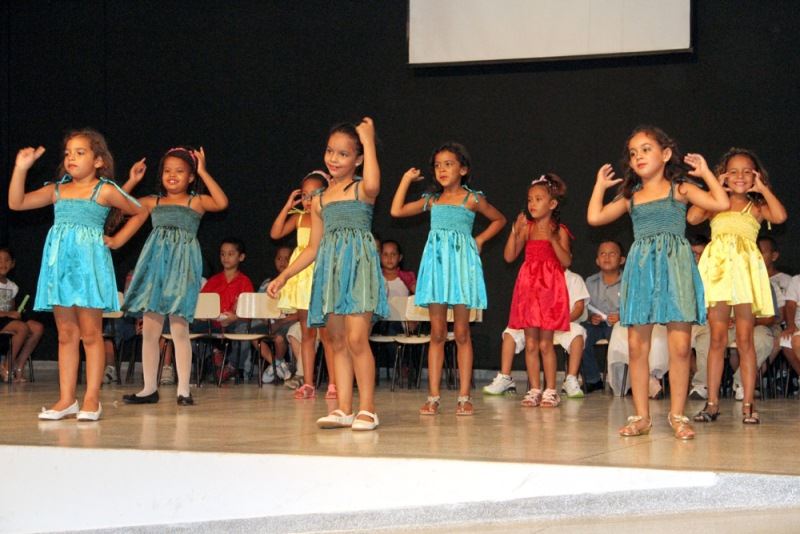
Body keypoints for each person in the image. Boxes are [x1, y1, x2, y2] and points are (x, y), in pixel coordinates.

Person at [587, 125, 729, 439]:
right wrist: (599, 186)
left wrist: (705, 172)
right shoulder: (631, 196)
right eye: (634, 152)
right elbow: (595, 217)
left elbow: (720, 203)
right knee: (638, 347)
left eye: (646, 149)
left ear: (665, 155)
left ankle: (678, 415)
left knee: (680, 347)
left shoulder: (679, 188)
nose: (638, 156)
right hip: (640, 270)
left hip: (675, 268)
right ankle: (641, 416)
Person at [8, 129, 141, 420]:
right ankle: (67, 399)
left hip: (88, 267)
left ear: (98, 161)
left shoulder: (104, 190)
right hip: (61, 268)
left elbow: (139, 211)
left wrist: (118, 241)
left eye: (80, 153)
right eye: (68, 153)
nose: (72, 158)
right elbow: (16, 203)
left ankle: (91, 398)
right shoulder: (57, 190)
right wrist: (21, 169)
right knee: (66, 334)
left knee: (91, 334)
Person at [269, 118, 387, 431]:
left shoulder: (363, 189)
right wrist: (284, 276)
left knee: (357, 338)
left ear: (358, 159)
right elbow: (311, 248)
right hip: (331, 271)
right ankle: (344, 408)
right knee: (335, 340)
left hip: (358, 267)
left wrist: (368, 139)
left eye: (344, 154)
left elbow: (375, 183)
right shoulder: (319, 200)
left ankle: (368, 409)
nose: (334, 159)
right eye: (330, 151)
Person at [391, 142, 506, 416]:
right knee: (438, 333)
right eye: (438, 165)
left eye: (449, 164)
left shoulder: (472, 199)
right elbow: (396, 211)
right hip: (437, 269)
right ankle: (433, 397)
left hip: (461, 267)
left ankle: (464, 396)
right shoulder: (432, 200)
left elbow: (499, 219)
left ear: (463, 169)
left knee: (463, 333)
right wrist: (406, 181)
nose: (442, 169)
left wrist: (479, 239)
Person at [107, 146, 228, 405]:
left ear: (191, 176)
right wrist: (132, 180)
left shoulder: (195, 201)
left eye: (180, 171)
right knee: (150, 329)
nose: (172, 176)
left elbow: (221, 202)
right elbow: (118, 203)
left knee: (179, 328)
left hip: (182, 268)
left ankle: (183, 389)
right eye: (167, 171)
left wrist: (204, 171)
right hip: (155, 268)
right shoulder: (153, 202)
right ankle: (149, 388)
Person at [689, 148, 786, 425]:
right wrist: (713, 187)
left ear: (755, 175)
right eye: (733, 171)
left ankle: (748, 404)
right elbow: (693, 218)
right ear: (724, 174)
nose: (740, 176)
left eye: (747, 171)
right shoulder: (715, 203)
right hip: (719, 274)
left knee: (745, 340)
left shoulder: (755, 207)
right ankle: (712, 403)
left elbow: (779, 216)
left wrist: (763, 189)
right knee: (717, 339)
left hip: (744, 276)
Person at [503, 174, 571, 408]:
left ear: (552, 204)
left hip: (550, 289)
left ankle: (551, 389)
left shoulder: (559, 230)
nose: (532, 204)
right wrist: (514, 230)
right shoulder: (527, 228)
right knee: (531, 343)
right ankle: (534, 388)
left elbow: (566, 261)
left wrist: (553, 240)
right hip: (529, 287)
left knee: (546, 344)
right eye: (530, 199)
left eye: (539, 199)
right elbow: (509, 256)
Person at [270, 171, 335, 399]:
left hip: (321, 275)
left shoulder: (328, 218)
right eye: (305, 195)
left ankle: (334, 384)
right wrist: (289, 205)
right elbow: (275, 232)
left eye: (314, 194)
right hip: (301, 279)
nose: (308, 200)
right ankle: (308, 383)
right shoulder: (299, 218)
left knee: (326, 335)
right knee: (308, 334)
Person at [483, 268, 589, 400]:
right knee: (511, 331)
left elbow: (579, 308)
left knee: (577, 334)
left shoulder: (574, 278)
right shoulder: (534, 275)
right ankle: (505, 377)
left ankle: (571, 379)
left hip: (563, 323)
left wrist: (560, 320)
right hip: (535, 324)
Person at [201, 238, 254, 382]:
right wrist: (206, 316)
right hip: (213, 323)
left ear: (241, 257)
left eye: (230, 254)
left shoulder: (245, 282)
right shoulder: (213, 281)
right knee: (189, 325)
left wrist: (234, 317)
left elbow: (248, 312)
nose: (225, 257)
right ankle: (214, 355)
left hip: (233, 323)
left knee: (244, 328)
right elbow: (202, 305)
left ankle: (231, 366)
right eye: (222, 254)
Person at [580, 240, 625, 393]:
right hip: (596, 324)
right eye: (603, 254)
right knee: (581, 336)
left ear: (622, 260)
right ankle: (593, 379)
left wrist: (621, 316)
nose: (607, 257)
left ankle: (622, 382)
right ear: (597, 260)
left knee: (621, 341)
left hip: (619, 324)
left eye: (612, 253)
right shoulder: (590, 281)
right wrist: (590, 316)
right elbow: (583, 307)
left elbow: (635, 305)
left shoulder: (628, 282)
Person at [0, 247, 44, 383]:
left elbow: (12, 310)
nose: (3, 263)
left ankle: (18, 365)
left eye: (7, 260)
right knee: (22, 328)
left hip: (7, 320)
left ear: (13, 264)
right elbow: (8, 313)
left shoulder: (13, 287)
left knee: (37, 327)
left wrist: (15, 314)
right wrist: (8, 314)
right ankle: (6, 366)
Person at [254, 246, 298, 384]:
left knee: (279, 339)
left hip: (287, 322)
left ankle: (276, 366)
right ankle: (277, 365)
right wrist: (268, 322)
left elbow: (300, 314)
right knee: (254, 336)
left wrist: (279, 323)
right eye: (279, 258)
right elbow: (259, 308)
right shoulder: (267, 283)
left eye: (287, 258)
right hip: (270, 323)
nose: (282, 262)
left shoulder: (297, 284)